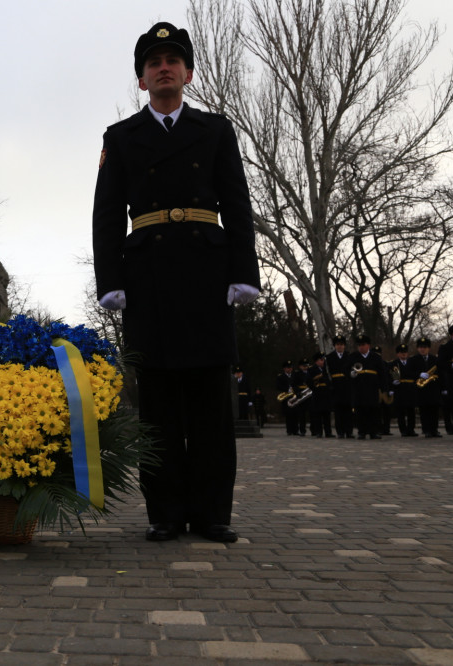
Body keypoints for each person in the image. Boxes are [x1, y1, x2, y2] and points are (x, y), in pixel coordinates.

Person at [92, 22, 260, 543]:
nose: (163, 67)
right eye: (153, 62)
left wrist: (244, 272)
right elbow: (104, 214)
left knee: (211, 401)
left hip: (206, 274)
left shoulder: (215, 130)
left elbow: (236, 203)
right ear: (142, 80)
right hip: (149, 276)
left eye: (172, 59)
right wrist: (110, 279)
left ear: (187, 72)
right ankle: (164, 511)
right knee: (159, 401)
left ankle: (213, 513)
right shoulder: (120, 138)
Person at [348, 334, 386, 440]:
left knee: (373, 410)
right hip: (358, 388)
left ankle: (374, 432)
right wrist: (351, 374)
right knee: (360, 410)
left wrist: (384, 388)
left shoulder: (376, 357)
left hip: (372, 388)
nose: (361, 347)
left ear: (368, 345)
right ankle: (362, 431)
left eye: (363, 345)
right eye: (359, 345)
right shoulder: (353, 357)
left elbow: (382, 373)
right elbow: (346, 370)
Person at [412, 336, 442, 438]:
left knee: (434, 410)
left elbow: (440, 373)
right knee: (424, 411)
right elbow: (409, 373)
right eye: (420, 347)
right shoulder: (413, 360)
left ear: (428, 348)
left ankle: (434, 430)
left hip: (433, 389)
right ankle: (426, 430)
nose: (422, 349)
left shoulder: (435, 359)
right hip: (421, 390)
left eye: (424, 347)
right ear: (417, 348)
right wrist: (419, 374)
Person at [326, 335, 354, 439]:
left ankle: (349, 431)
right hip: (336, 385)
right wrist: (330, 385)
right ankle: (340, 431)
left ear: (344, 346)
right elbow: (326, 373)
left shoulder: (349, 356)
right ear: (334, 346)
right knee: (338, 411)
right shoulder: (329, 357)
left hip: (347, 385)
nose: (340, 346)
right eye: (338, 344)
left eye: (342, 344)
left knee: (348, 410)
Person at [389, 343, 418, 437]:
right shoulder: (394, 363)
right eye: (401, 353)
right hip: (400, 389)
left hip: (410, 388)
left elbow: (416, 374)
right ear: (398, 354)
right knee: (400, 411)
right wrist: (392, 384)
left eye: (405, 352)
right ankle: (403, 430)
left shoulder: (412, 362)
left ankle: (411, 429)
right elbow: (389, 376)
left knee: (411, 411)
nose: (404, 354)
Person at [307, 353, 332, 438]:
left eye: (323, 360)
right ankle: (319, 432)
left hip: (326, 392)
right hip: (317, 392)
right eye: (321, 360)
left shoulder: (327, 369)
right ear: (317, 361)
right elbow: (308, 381)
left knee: (327, 414)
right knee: (317, 414)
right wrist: (314, 388)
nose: (323, 361)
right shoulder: (311, 369)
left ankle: (328, 432)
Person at [275, 361, 298, 436]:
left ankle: (295, 430)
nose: (290, 369)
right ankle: (289, 430)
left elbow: (298, 384)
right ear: (284, 369)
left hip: (294, 396)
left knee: (295, 413)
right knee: (288, 414)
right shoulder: (280, 376)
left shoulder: (295, 375)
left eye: (291, 367)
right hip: (286, 397)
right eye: (288, 368)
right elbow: (278, 386)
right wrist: (286, 389)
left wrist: (294, 389)